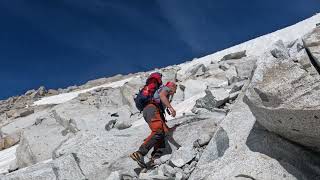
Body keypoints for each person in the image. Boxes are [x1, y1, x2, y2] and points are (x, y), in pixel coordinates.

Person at [130, 81, 177, 168]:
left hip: (151, 111)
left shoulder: (159, 91)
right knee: (158, 131)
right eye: (175, 90)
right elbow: (162, 96)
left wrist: (169, 129)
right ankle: (140, 153)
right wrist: (171, 108)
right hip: (152, 109)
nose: (174, 92)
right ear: (172, 86)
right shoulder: (165, 88)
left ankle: (155, 158)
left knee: (163, 134)